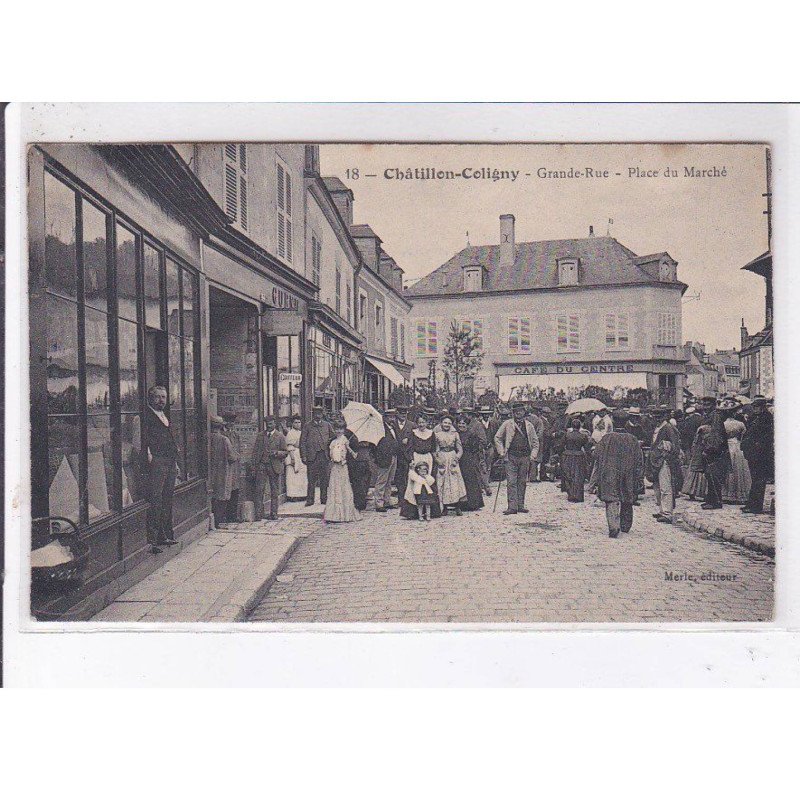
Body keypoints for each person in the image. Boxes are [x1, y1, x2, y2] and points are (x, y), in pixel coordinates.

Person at [594, 409, 644, 538]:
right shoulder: (632, 439)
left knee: (611, 498)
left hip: (610, 472)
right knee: (627, 497)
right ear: (627, 421)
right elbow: (639, 460)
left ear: (614, 421)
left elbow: (596, 455)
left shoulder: (607, 438)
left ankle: (613, 526)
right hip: (628, 473)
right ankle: (625, 525)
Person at [143, 385, 179, 554]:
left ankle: (164, 534)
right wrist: (150, 456)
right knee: (155, 499)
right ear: (150, 398)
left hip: (169, 461)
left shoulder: (164, 415)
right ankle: (153, 539)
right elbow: (142, 440)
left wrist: (175, 462)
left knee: (167, 498)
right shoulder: (146, 416)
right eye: (157, 397)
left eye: (164, 397)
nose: (161, 401)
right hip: (157, 462)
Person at [493, 402, 540, 515]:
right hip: (511, 457)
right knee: (511, 482)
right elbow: (497, 437)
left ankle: (520, 505)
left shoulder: (529, 426)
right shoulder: (507, 424)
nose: (518, 413)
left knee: (522, 482)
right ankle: (512, 507)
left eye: (521, 410)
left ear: (524, 412)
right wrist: (501, 452)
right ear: (513, 413)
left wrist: (533, 455)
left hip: (525, 457)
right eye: (516, 411)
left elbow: (535, 442)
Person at [400, 413, 441, 519]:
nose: (421, 424)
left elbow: (433, 448)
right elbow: (409, 448)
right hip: (416, 457)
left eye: (423, 422)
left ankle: (431, 511)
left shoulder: (431, 434)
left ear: (427, 423)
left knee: (428, 481)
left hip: (428, 458)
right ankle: (412, 512)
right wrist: (411, 460)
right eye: (419, 422)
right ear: (416, 423)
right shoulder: (413, 433)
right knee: (415, 482)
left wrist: (435, 460)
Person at [648, 407, 683, 524]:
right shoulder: (658, 428)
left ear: (665, 416)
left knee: (665, 486)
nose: (657, 419)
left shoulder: (668, 428)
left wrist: (667, 455)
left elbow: (675, 446)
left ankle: (667, 513)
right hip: (656, 459)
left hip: (664, 460)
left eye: (659, 416)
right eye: (655, 416)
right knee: (657, 485)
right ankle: (662, 510)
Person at [741, 395, 774, 514]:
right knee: (755, 479)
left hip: (761, 455)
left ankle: (756, 506)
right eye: (754, 407)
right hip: (753, 454)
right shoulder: (755, 417)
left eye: (757, 407)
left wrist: (756, 447)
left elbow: (766, 437)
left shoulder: (767, 418)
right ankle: (751, 503)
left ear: (763, 407)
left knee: (759, 480)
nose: (754, 409)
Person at [324, 421, 362, 523]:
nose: (338, 431)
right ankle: (333, 515)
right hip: (335, 468)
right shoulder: (332, 442)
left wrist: (348, 447)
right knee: (334, 489)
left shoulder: (347, 441)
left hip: (343, 468)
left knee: (343, 489)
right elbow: (330, 455)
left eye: (341, 429)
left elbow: (355, 456)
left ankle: (346, 514)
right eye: (336, 429)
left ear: (344, 430)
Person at [251, 417, 288, 521]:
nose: (269, 426)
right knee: (259, 490)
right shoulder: (260, 436)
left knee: (274, 491)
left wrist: (277, 453)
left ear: (274, 424)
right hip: (262, 465)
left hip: (274, 466)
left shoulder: (280, 436)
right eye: (267, 424)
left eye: (271, 424)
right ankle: (259, 515)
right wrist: (254, 466)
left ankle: (274, 513)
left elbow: (285, 452)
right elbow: (255, 452)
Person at [699, 398, 731, 510]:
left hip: (715, 451)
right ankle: (710, 499)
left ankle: (716, 501)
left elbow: (715, 435)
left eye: (708, 405)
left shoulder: (715, 416)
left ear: (713, 405)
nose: (705, 407)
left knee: (713, 475)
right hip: (710, 448)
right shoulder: (709, 415)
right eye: (704, 405)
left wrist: (709, 450)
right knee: (709, 475)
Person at [299, 406, 334, 506]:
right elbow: (302, 442)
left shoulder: (327, 425)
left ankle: (324, 498)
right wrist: (304, 456)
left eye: (319, 413)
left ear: (322, 414)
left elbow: (333, 437)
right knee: (311, 479)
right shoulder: (307, 426)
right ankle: (310, 500)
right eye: (315, 413)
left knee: (325, 478)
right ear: (312, 414)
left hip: (324, 455)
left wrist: (330, 446)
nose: (317, 415)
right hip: (312, 456)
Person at [434, 416, 466, 515]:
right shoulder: (437, 434)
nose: (446, 425)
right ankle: (444, 507)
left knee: (455, 482)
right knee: (442, 482)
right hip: (442, 457)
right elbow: (435, 449)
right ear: (441, 423)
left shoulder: (455, 434)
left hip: (452, 457)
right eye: (445, 423)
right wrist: (438, 460)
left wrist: (456, 458)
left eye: (449, 423)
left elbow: (460, 449)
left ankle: (457, 506)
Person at [721, 402, 751, 503]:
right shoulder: (740, 424)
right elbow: (744, 436)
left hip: (727, 446)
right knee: (739, 469)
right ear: (734, 413)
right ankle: (739, 493)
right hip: (737, 446)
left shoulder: (723, 424)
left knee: (728, 470)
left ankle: (726, 494)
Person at [209, 415, 236, 527]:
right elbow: (232, 457)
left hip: (210, 472)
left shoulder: (207, 437)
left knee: (212, 495)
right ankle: (218, 522)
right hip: (222, 472)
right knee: (222, 496)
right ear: (221, 427)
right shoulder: (224, 440)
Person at [373, 409, 400, 512]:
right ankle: (379, 503)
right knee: (382, 481)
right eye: (389, 417)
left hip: (393, 456)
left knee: (389, 481)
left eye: (393, 417)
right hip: (384, 458)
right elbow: (376, 445)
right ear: (385, 418)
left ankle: (386, 501)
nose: (392, 419)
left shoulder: (393, 428)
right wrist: (378, 457)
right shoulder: (380, 429)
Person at [456, 416, 485, 511]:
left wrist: (472, 458)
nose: (461, 425)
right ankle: (461, 503)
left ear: (467, 425)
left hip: (468, 458)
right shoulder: (455, 434)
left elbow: (475, 448)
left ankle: (472, 503)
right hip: (458, 458)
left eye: (463, 423)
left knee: (470, 480)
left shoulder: (471, 434)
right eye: (459, 423)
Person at [561, 417, 592, 502]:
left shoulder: (567, 435)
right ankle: (578, 495)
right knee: (578, 476)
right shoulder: (583, 436)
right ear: (579, 426)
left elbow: (560, 446)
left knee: (568, 475)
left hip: (567, 455)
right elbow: (587, 447)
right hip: (579, 456)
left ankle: (570, 494)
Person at [345, 428, 373, 512]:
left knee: (365, 482)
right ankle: (359, 503)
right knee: (358, 483)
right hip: (356, 461)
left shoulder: (367, 433)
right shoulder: (349, 433)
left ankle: (362, 501)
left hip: (365, 460)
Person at [222, 412, 242, 522]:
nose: (231, 424)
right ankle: (225, 516)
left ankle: (233, 516)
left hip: (235, 468)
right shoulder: (222, 435)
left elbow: (238, 451)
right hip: (226, 467)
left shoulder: (235, 435)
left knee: (235, 490)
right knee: (226, 491)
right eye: (229, 422)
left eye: (232, 422)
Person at [392, 406, 414, 505]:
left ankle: (407, 500)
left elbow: (415, 440)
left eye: (404, 414)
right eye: (401, 413)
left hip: (407, 455)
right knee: (398, 478)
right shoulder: (392, 425)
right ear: (397, 414)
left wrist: (408, 440)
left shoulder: (412, 425)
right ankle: (401, 499)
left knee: (407, 477)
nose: (403, 415)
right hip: (396, 455)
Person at [284, 415, 308, 501]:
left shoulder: (301, 432)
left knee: (301, 475)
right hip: (294, 454)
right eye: (295, 423)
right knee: (293, 475)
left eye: (299, 422)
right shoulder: (290, 433)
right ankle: (293, 495)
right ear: (292, 424)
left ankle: (302, 494)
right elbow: (289, 446)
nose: (298, 424)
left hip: (300, 454)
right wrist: (292, 458)